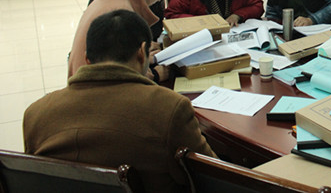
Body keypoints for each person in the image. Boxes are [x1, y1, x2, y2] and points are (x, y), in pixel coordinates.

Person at [24, 10, 215, 193]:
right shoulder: (169, 108)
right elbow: (211, 175)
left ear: (87, 58)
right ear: (142, 53)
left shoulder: (36, 113)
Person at [68, 0, 172, 78]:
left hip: (82, 78)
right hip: (93, 85)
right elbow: (120, 74)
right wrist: (155, 75)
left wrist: (142, 59)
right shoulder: (123, 12)